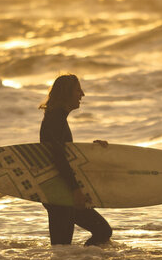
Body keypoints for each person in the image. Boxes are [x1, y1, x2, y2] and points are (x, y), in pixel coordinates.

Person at [40, 74, 112, 246]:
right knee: (64, 247)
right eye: (78, 90)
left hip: (60, 192)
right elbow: (58, 158)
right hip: (59, 194)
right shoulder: (55, 119)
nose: (82, 94)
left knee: (66, 246)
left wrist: (92, 151)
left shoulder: (56, 118)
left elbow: (64, 152)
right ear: (66, 93)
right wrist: (75, 190)